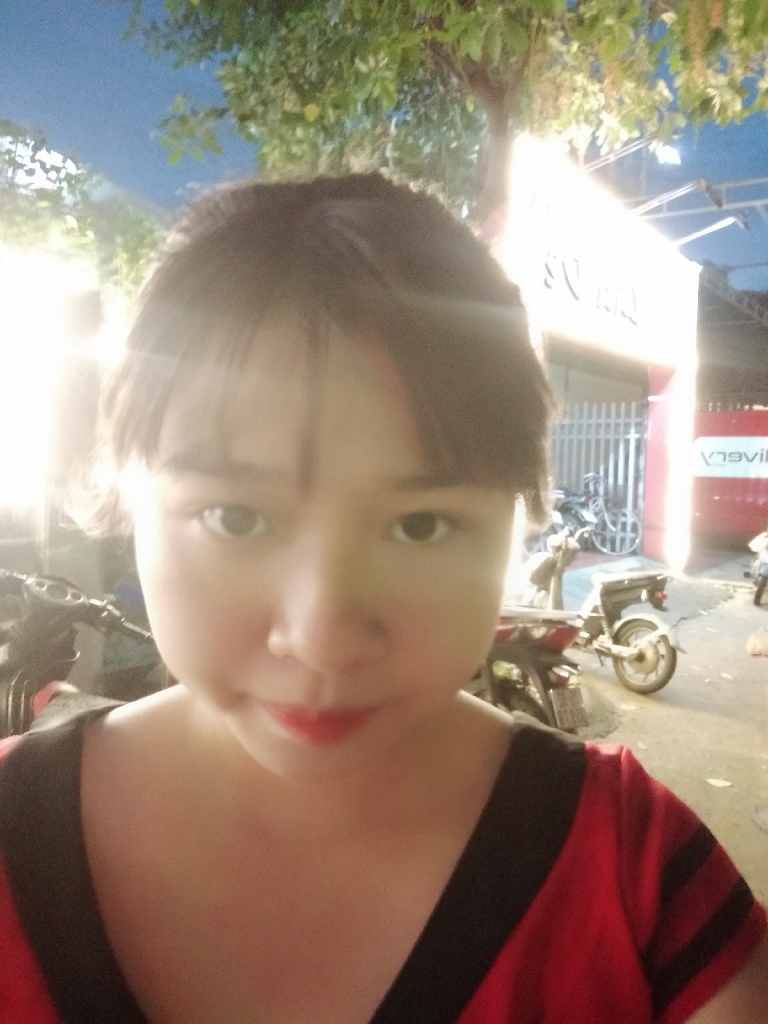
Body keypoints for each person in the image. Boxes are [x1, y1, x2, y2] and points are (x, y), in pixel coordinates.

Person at [0, 174, 766, 1024]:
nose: (323, 637)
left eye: (421, 525)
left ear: (516, 520)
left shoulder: (639, 876)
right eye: (235, 516)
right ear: (128, 498)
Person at [748, 526, 768, 607]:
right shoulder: (765, 536)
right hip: (765, 560)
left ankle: (757, 600)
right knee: (763, 579)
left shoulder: (765, 535)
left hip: (765, 560)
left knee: (763, 579)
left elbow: (754, 547)